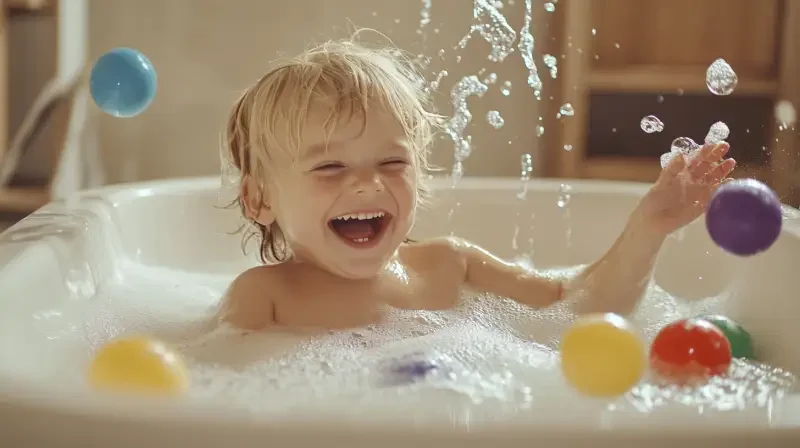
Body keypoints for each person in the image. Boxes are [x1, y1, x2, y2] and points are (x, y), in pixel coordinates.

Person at [216, 36, 736, 331]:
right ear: (260, 199)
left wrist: (650, 225)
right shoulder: (264, 297)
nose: (369, 184)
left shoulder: (448, 265)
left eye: (393, 162)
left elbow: (579, 308)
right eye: (330, 168)